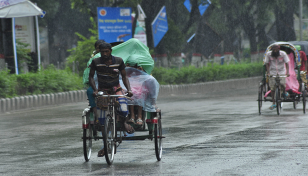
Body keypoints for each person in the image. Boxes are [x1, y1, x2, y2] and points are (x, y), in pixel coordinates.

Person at [89, 42, 134, 157]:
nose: (104, 54)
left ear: (110, 51)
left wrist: (128, 89)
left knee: (124, 109)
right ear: (99, 52)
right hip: (103, 90)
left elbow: (124, 76)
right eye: (102, 52)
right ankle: (106, 145)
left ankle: (123, 122)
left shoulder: (119, 61)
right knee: (103, 121)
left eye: (106, 51)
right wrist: (95, 90)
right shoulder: (96, 62)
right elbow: (91, 76)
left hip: (116, 89)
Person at [83, 40, 105, 127]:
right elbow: (90, 75)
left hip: (110, 83)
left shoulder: (114, 58)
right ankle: (97, 116)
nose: (101, 50)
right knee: (90, 91)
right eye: (98, 48)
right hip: (96, 83)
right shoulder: (94, 59)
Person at [265, 44, 290, 110]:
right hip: (272, 71)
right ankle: (274, 103)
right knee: (272, 88)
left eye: (276, 50)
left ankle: (284, 92)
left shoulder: (283, 54)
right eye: (274, 50)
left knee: (282, 84)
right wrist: (268, 72)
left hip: (281, 71)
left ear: (279, 50)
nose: (275, 51)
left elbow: (287, 63)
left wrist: (287, 72)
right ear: (272, 50)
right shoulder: (268, 54)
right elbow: (267, 63)